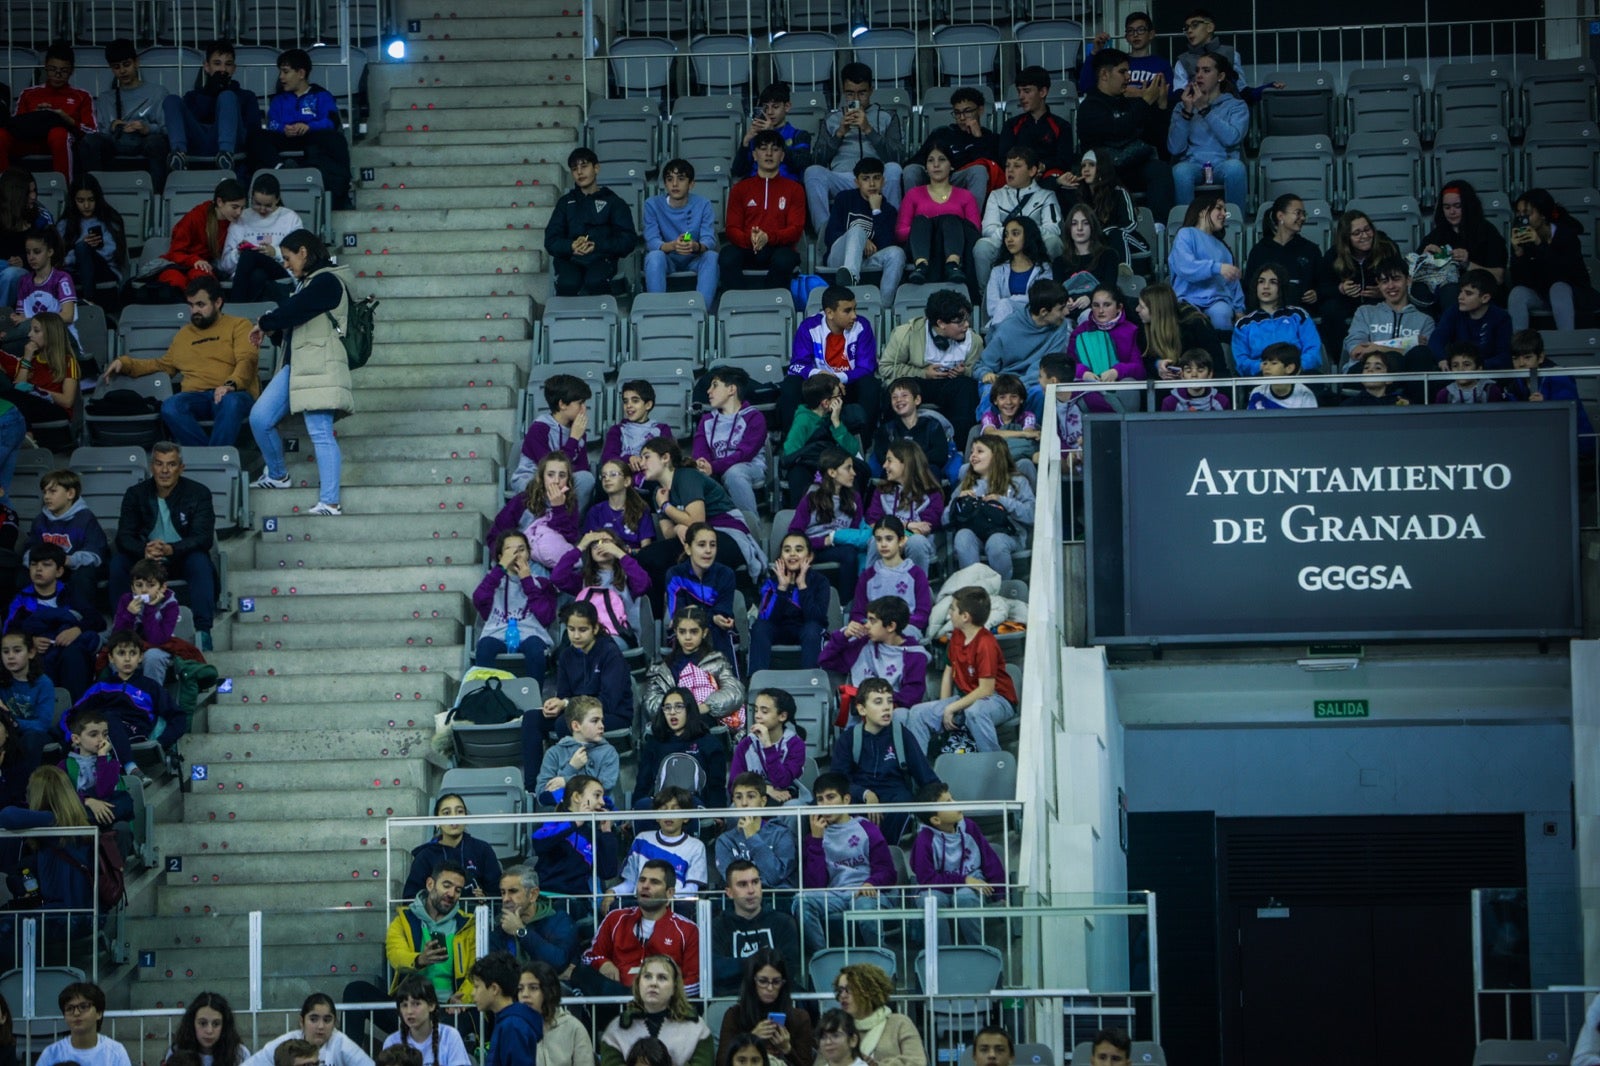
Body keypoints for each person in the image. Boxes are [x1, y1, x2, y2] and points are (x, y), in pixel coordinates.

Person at [246, 229, 351, 516]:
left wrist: (266, 321)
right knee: (260, 417)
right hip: (298, 365)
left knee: (320, 431)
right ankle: (278, 475)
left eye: (288, 257)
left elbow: (295, 310)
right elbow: (294, 323)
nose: (286, 264)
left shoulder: (328, 280)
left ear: (303, 252)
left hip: (321, 364)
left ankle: (330, 502)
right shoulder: (307, 283)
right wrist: (272, 329)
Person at [103, 277, 259, 447]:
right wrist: (125, 363)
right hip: (196, 397)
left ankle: (211, 459)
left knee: (231, 402)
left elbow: (247, 360)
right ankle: (208, 460)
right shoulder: (184, 335)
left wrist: (230, 384)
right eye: (191, 305)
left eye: (201, 305)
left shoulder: (239, 325)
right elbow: (163, 365)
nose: (194, 311)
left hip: (233, 393)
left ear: (218, 302)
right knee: (171, 406)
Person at [109, 443, 215, 649]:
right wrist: (144, 550)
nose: (165, 471)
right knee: (118, 563)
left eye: (171, 464)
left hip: (180, 556)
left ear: (181, 468)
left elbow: (203, 538)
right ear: (151, 467)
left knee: (200, 562)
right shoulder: (135, 494)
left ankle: (203, 631)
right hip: (145, 561)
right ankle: (121, 630)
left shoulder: (199, 493)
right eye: (159, 464)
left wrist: (171, 549)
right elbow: (124, 537)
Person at [902, 587, 1017, 754]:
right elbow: (948, 672)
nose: (949, 613)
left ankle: (994, 763)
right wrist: (944, 706)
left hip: (998, 700)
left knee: (975, 712)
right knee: (918, 713)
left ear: (965, 617)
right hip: (966, 698)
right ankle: (920, 774)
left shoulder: (986, 644)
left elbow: (986, 690)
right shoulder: (956, 635)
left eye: (953, 609)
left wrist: (952, 708)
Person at [638, 438, 766, 585]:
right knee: (647, 557)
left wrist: (666, 506)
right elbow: (668, 533)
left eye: (647, 457)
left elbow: (696, 522)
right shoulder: (658, 493)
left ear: (665, 458)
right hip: (694, 539)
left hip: (727, 535)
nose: (642, 463)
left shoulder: (687, 476)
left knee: (691, 561)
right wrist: (678, 527)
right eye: (641, 458)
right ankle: (665, 607)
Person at [796, 770, 897, 950]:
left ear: (846, 799)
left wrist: (871, 883)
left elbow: (888, 872)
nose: (825, 804)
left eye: (831, 797)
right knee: (801, 900)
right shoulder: (815, 836)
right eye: (820, 799)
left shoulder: (866, 828)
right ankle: (823, 956)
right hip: (835, 895)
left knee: (864, 906)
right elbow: (815, 885)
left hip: (866, 893)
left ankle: (881, 959)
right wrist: (816, 841)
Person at [805, 63, 904, 237]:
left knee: (894, 169)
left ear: (871, 90)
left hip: (875, 177)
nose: (856, 99)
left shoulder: (887, 116)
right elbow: (818, 159)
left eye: (862, 93)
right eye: (850, 93)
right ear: (844, 92)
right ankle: (825, 234)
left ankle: (891, 230)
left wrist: (869, 130)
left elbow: (896, 156)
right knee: (813, 172)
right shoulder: (832, 118)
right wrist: (840, 133)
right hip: (843, 177)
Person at [876, 289, 983, 450]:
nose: (966, 325)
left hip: (952, 385)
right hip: (918, 382)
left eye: (967, 320)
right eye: (960, 322)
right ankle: (893, 447)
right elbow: (886, 368)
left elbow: (977, 370)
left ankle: (959, 449)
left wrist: (964, 371)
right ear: (941, 323)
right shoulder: (906, 334)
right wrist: (922, 373)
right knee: (896, 390)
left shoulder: (974, 340)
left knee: (968, 388)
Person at [577, 858, 701, 996]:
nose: (645, 886)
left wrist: (661, 995)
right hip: (615, 1002)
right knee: (581, 974)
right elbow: (588, 957)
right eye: (642, 880)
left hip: (664, 1006)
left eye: (654, 882)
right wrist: (603, 963)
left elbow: (694, 983)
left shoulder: (688, 930)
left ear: (669, 893)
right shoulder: (616, 918)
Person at [249, 48, 353, 209]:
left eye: (285, 72)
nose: (281, 77)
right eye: (280, 72)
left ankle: (337, 190)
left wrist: (308, 126)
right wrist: (284, 128)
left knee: (335, 139)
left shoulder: (322, 95)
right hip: (286, 138)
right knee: (256, 135)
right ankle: (281, 169)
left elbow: (331, 121)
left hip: (312, 137)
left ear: (301, 73)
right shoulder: (278, 99)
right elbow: (272, 123)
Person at [1078, 48, 1174, 220]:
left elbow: (1156, 139)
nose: (1128, 77)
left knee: (1160, 170)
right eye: (1122, 72)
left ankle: (1159, 228)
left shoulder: (1130, 103)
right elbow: (1117, 130)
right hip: (1104, 170)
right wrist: (1145, 101)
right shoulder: (1089, 106)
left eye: (1128, 71)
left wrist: (1161, 105)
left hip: (1133, 164)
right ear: (1104, 75)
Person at [910, 780, 1005, 944]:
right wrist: (964, 880)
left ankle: (977, 949)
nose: (955, 803)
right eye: (948, 803)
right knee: (931, 900)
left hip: (972, 883)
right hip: (937, 887)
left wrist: (1000, 894)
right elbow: (927, 879)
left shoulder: (969, 827)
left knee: (965, 898)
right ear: (936, 820)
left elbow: (990, 860)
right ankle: (942, 954)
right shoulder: (924, 840)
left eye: (952, 798)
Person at [781, 284, 879, 440]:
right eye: (847, 311)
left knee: (870, 385)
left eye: (855, 309)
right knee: (790, 385)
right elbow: (796, 366)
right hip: (818, 386)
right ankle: (792, 443)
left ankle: (864, 442)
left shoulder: (862, 326)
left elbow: (867, 367)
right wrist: (821, 375)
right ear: (829, 313)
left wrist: (837, 379)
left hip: (848, 385)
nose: (854, 315)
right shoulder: (809, 327)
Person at [5, 542, 102, 697]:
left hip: (68, 651)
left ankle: (75, 710)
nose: (38, 569)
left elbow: (97, 620)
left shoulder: (70, 593)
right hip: (38, 654)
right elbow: (9, 631)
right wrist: (31, 641)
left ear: (59, 571)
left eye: (46, 565)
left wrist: (76, 630)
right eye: (34, 564)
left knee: (73, 654)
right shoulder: (21, 598)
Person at [535, 599, 634, 748]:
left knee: (565, 724)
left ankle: (574, 769)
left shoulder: (610, 653)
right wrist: (557, 704)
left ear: (595, 628)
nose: (576, 636)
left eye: (582, 630)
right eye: (571, 629)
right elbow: (563, 694)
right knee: (533, 719)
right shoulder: (566, 655)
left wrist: (567, 704)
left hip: (611, 714)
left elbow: (609, 701)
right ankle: (537, 772)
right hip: (576, 712)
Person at [380, 860, 476, 1006]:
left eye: (458, 890)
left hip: (449, 1006)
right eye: (447, 885)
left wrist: (462, 998)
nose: (451, 894)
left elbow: (475, 972)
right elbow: (395, 955)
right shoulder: (404, 920)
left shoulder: (467, 925)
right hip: (410, 1006)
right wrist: (419, 960)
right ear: (430, 884)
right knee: (356, 991)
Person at [545, 146, 638, 296]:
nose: (579, 172)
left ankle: (604, 316)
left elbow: (628, 240)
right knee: (568, 283)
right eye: (575, 169)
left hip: (602, 258)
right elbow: (550, 240)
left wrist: (597, 246)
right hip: (571, 259)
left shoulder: (614, 202)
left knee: (595, 281)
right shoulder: (565, 203)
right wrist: (571, 246)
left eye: (584, 166)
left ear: (596, 168)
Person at [721, 130, 805, 292]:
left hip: (779, 247)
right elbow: (732, 228)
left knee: (784, 259)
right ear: (754, 155)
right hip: (747, 246)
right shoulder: (740, 189)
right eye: (763, 148)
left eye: (775, 149)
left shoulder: (795, 189)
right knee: (727, 256)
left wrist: (768, 237)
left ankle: (772, 303)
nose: (768, 153)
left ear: (782, 156)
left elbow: (795, 229)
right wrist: (750, 239)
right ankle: (736, 305)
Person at [163, 40, 261, 175]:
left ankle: (225, 155)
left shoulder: (247, 96)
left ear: (234, 68)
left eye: (228, 64)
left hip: (233, 145)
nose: (223, 69)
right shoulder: (192, 96)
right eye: (217, 64)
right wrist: (210, 92)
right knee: (171, 100)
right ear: (207, 67)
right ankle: (178, 154)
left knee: (227, 96)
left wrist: (226, 96)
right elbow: (193, 121)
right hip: (199, 141)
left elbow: (253, 130)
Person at [945, 434, 1036, 581]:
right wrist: (958, 502)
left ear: (997, 456)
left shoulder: (1018, 481)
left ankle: (1000, 591)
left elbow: (1032, 515)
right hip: (976, 536)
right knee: (962, 536)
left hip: (1010, 535)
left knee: (996, 542)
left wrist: (1003, 501)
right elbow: (945, 520)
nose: (972, 456)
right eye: (972, 451)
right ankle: (974, 591)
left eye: (979, 451)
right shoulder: (966, 484)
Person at [79, 40, 169, 185]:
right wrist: (112, 126)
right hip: (116, 141)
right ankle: (94, 190)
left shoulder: (157, 92)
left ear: (136, 63)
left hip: (144, 140)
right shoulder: (105, 98)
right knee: (89, 142)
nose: (122, 71)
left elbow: (166, 128)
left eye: (126, 65)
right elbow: (99, 131)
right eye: (116, 67)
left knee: (157, 142)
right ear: (111, 69)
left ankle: (158, 195)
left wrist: (147, 128)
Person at [0, 43, 96, 181]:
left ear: (72, 71)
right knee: (1, 135)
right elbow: (15, 126)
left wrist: (66, 119)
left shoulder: (82, 96)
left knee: (58, 133)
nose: (57, 75)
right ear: (45, 66)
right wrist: (36, 116)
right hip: (29, 141)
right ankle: (4, 191)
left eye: (63, 71)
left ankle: (65, 192)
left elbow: (92, 131)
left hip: (61, 142)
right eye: (52, 69)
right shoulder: (28, 94)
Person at [530, 773, 619, 920]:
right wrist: (574, 823)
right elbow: (539, 843)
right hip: (547, 900)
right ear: (577, 797)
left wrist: (607, 833)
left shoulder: (593, 832)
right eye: (597, 795)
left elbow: (608, 872)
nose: (602, 802)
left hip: (578, 904)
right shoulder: (555, 821)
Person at [473, 529, 558, 682]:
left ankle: (534, 700)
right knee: (484, 647)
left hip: (531, 635)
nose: (516, 555)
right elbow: (479, 600)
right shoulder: (492, 581)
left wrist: (527, 581)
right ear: (500, 557)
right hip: (496, 634)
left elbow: (547, 617)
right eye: (509, 551)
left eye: (521, 550)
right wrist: (499, 570)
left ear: (529, 554)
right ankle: (488, 699)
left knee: (534, 647)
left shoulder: (542, 583)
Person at [1166, 51, 1248, 210]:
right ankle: (1187, 227)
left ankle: (1234, 225)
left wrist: (1205, 109)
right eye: (1197, 71)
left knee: (1236, 168)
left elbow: (1232, 139)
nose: (1199, 75)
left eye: (1206, 70)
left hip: (1223, 164)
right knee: (1180, 171)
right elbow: (1174, 148)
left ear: (1221, 76)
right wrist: (1187, 113)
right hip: (1192, 164)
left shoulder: (1236, 106)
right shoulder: (1182, 106)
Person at [972, 146, 1063, 287]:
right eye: (1007, 165)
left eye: (1017, 166)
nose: (1010, 170)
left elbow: (1053, 228)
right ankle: (986, 297)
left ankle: (1054, 292)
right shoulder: (996, 195)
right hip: (1005, 244)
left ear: (1032, 170)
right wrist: (1013, 235)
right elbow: (988, 228)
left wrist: (1026, 234)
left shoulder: (1046, 196)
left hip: (1036, 244)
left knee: (1054, 242)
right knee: (981, 247)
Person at [598, 955, 714, 1066]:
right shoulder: (616, 1031)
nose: (653, 983)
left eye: (662, 977)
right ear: (638, 984)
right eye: (647, 976)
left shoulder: (697, 1029)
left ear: (674, 987)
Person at [819, 595, 930, 709]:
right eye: (866, 620)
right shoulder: (863, 644)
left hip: (893, 714)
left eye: (872, 621)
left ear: (891, 626)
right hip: (859, 714)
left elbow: (911, 697)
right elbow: (826, 661)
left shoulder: (915, 655)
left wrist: (874, 699)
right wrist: (843, 635)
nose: (866, 625)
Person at [976, 278, 1072, 409]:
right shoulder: (1008, 327)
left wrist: (1018, 387)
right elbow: (983, 365)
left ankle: (1035, 429)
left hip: (1035, 381)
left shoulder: (1060, 327)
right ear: (1044, 312)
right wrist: (986, 375)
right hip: (1004, 380)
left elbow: (1047, 366)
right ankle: (990, 429)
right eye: (1061, 309)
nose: (1066, 312)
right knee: (990, 392)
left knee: (1041, 392)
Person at [897, 141, 981, 289]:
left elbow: (974, 230)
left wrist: (943, 225)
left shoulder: (965, 196)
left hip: (956, 245)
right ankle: (921, 265)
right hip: (921, 246)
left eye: (942, 159)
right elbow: (900, 232)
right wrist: (927, 228)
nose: (936, 165)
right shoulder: (913, 194)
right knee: (922, 220)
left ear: (952, 165)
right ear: (926, 168)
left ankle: (952, 264)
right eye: (931, 160)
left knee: (950, 220)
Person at [1509, 188, 1596, 331]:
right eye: (1518, 213)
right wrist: (1518, 253)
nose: (1522, 219)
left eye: (1527, 213)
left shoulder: (1566, 236)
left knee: (1558, 288)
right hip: (1542, 294)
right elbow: (1520, 281)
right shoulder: (1523, 237)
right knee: (1517, 293)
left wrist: (1539, 245)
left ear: (1543, 215)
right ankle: (1519, 347)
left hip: (1573, 293)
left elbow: (1564, 274)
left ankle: (1566, 342)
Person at [693, 366, 768, 530]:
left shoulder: (754, 417)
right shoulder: (706, 420)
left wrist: (713, 466)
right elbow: (699, 453)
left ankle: (751, 527)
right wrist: (702, 465)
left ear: (731, 389)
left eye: (715, 385)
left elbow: (745, 454)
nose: (708, 391)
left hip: (749, 469)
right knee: (692, 475)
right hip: (714, 469)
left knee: (734, 473)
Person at [788, 446, 866, 601]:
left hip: (841, 547)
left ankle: (846, 606)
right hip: (813, 548)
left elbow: (856, 531)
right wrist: (824, 541)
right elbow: (794, 534)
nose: (854, 473)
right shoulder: (812, 497)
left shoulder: (854, 499)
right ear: (832, 472)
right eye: (848, 468)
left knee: (853, 553)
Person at [1504, 329, 1597, 455]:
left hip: (1575, 445)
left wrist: (1547, 405)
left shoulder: (1559, 376)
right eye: (1515, 359)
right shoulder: (1513, 384)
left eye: (1527, 357)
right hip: (1538, 445)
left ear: (1541, 357)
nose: (1521, 364)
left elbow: (1568, 413)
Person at [25, 467, 107, 608]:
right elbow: (30, 549)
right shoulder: (40, 520)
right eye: (44, 492)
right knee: (23, 573)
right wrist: (36, 564)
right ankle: (30, 612)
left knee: (83, 576)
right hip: (47, 569)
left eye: (53, 491)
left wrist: (67, 560)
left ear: (70, 493)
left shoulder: (85, 518)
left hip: (74, 568)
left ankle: (80, 616)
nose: (46, 497)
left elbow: (95, 554)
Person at [633, 688, 729, 808]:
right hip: (660, 809)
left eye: (678, 706)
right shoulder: (654, 744)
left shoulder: (710, 744)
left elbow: (716, 786)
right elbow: (643, 784)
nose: (672, 712)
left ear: (689, 710)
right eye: (667, 708)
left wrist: (717, 814)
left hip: (695, 809)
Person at [823, 158, 904, 300]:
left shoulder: (888, 210)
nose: (872, 184)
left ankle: (884, 306)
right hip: (839, 258)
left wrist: (876, 211)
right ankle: (849, 279)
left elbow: (887, 244)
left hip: (867, 260)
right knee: (857, 230)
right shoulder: (844, 198)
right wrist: (861, 240)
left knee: (897, 253)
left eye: (876, 178)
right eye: (865, 179)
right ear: (857, 182)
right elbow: (830, 235)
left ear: (883, 181)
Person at [1419, 179, 1508, 310]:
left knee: (1451, 292)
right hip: (1443, 292)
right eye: (1447, 207)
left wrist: (1468, 264)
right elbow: (1413, 271)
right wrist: (1425, 259)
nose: (1452, 212)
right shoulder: (1437, 235)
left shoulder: (1487, 231)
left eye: (1457, 206)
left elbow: (1499, 277)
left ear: (1468, 206)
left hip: (1480, 294)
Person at [152, 178, 247, 298]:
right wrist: (195, 261)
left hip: (205, 267)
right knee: (174, 281)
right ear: (220, 202)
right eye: (234, 207)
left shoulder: (236, 223)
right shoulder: (195, 217)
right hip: (178, 264)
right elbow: (174, 253)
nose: (239, 212)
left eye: (242, 208)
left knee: (203, 282)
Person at [642, 158, 718, 307]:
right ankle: (657, 311)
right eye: (670, 179)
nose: (675, 184)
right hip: (667, 258)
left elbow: (709, 239)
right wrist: (672, 246)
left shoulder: (703, 204)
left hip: (694, 258)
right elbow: (652, 241)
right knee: (654, 256)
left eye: (681, 179)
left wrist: (695, 246)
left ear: (691, 184)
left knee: (711, 257)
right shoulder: (652, 204)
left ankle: (701, 311)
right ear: (665, 184)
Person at [552, 529, 649, 645]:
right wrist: (580, 547)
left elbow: (644, 584)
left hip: (619, 634)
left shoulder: (628, 576)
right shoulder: (584, 579)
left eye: (606, 542)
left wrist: (620, 554)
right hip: (585, 633)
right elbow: (557, 577)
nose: (600, 546)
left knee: (596, 646)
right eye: (594, 544)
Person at [1242, 195, 1330, 322]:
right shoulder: (1260, 250)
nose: (1303, 218)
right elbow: (1249, 286)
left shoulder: (1311, 249)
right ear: (1280, 216)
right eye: (1298, 213)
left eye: (1304, 214)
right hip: (1266, 313)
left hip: (1302, 313)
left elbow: (1324, 283)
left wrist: (1317, 293)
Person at [903, 88, 999, 204]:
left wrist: (977, 138)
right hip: (935, 178)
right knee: (911, 170)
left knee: (979, 171)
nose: (962, 118)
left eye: (967, 111)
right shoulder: (942, 133)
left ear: (980, 110)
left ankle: (972, 220)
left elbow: (991, 168)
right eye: (957, 113)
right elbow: (918, 159)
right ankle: (913, 216)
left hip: (959, 179)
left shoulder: (990, 138)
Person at [658, 534, 741, 666]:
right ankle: (684, 683)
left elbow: (723, 611)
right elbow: (680, 616)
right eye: (701, 545)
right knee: (688, 631)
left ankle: (727, 682)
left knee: (719, 631)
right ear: (688, 548)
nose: (708, 550)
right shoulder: (675, 574)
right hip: (685, 629)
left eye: (712, 545)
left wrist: (701, 613)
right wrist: (711, 617)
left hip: (718, 628)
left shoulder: (725, 573)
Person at [717, 948, 811, 1064]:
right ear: (752, 981)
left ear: (783, 983)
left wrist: (787, 1049)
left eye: (776, 982)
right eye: (763, 981)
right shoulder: (734, 1015)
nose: (770, 988)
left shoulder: (799, 1018)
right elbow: (721, 1062)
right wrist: (751, 1039)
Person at [512, 372, 594, 504]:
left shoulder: (577, 429)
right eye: (580, 403)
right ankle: (545, 523)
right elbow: (550, 468)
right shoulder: (539, 428)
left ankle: (567, 523)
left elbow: (582, 467)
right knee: (546, 485)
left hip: (562, 479)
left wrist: (576, 437)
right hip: (534, 478)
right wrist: (573, 439)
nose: (584, 409)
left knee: (586, 479)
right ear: (562, 404)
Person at [219, 173, 303, 302]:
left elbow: (299, 256)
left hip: (279, 269)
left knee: (249, 254)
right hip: (249, 275)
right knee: (257, 274)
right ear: (251, 197)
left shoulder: (290, 218)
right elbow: (225, 265)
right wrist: (237, 253)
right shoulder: (241, 217)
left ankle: (236, 307)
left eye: (268, 205)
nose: (262, 210)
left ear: (277, 199)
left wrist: (275, 252)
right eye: (257, 204)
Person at [1341, 257, 1435, 370]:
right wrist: (1408, 343)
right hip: (1365, 374)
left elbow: (1422, 359)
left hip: (1403, 378)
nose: (1391, 286)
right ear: (1378, 284)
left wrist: (1374, 347)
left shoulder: (1425, 320)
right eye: (1385, 281)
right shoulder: (1364, 312)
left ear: (1408, 280)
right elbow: (1357, 352)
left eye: (1396, 279)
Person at [403, 793, 502, 900]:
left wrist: (485, 898)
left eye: (459, 811)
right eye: (446, 813)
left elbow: (498, 894)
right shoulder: (425, 856)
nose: (454, 817)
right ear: (436, 821)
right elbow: (410, 899)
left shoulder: (483, 850)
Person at [866, 439, 945, 572]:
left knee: (916, 542)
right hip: (889, 538)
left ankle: (917, 588)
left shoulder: (931, 493)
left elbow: (925, 528)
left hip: (918, 540)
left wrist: (901, 533)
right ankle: (872, 587)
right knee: (876, 541)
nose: (884, 465)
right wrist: (907, 525)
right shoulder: (881, 491)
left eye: (889, 460)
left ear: (906, 464)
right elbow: (873, 523)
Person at [1168, 194, 1243, 333]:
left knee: (1222, 314)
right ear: (1202, 212)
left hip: (1217, 300)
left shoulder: (1223, 248)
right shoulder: (1185, 234)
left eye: (1224, 210)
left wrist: (1239, 309)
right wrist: (1217, 268)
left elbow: (1233, 282)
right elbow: (1185, 266)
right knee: (1192, 320)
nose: (1224, 214)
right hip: (1186, 299)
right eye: (1219, 208)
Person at [1320, 210, 1398, 343]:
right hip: (1347, 302)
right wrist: (1341, 289)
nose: (1365, 236)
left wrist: (1385, 291)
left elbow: (1401, 278)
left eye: (1367, 230)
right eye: (1357, 233)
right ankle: (1341, 358)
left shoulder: (1387, 248)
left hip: (1378, 301)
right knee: (1330, 309)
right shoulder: (1333, 255)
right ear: (1346, 237)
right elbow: (1322, 289)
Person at [828, 964, 926, 1066]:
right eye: (840, 990)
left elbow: (917, 1062)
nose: (843, 995)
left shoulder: (899, 1023)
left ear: (869, 992)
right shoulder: (834, 1027)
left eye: (849, 989)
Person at [1232, 263, 1322, 374]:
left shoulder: (1299, 316)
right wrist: (1268, 368)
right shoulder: (1244, 324)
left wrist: (1292, 368)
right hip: (1261, 376)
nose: (1266, 286)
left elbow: (1313, 351)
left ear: (1282, 286)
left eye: (1273, 282)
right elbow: (1241, 362)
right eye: (1261, 281)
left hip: (1298, 374)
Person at [242, 994, 372, 1066]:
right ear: (301, 1022)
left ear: (335, 1023)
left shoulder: (342, 1044)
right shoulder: (286, 1044)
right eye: (313, 1019)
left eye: (327, 1020)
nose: (321, 1026)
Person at [534, 695, 621, 804]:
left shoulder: (609, 752)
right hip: (563, 814)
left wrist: (567, 781)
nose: (602, 726)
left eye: (602, 720)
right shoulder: (554, 753)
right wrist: (571, 767)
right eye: (595, 721)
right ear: (576, 726)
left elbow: (605, 785)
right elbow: (542, 794)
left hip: (598, 813)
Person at [714, 781, 800, 891]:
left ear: (763, 801)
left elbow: (775, 876)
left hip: (777, 901)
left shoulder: (781, 834)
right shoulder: (725, 841)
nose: (744, 803)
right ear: (734, 802)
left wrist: (752, 837)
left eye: (751, 796)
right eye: (738, 797)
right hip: (740, 903)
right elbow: (733, 881)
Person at [728, 691, 810, 805]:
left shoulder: (795, 744)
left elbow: (782, 782)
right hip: (752, 798)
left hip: (787, 798)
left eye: (764, 711)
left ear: (782, 716)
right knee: (734, 808)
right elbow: (734, 784)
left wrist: (768, 746)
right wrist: (766, 789)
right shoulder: (746, 744)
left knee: (793, 806)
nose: (757, 715)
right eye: (756, 710)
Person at [1133, 280, 1224, 381]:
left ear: (1156, 311)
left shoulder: (1196, 325)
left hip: (1201, 385)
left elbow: (1217, 364)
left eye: (1142, 307)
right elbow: (1146, 361)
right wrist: (1158, 365)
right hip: (1167, 388)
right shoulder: (1143, 328)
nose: (1137, 309)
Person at [58, 173, 126, 306]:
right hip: (73, 270)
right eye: (81, 201)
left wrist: (85, 249)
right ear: (73, 200)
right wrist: (77, 254)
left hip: (104, 269)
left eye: (91, 199)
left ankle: (89, 300)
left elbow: (111, 251)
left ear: (98, 199)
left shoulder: (109, 219)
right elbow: (60, 256)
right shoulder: (65, 224)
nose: (87, 205)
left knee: (83, 247)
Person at [997, 66, 1074, 183]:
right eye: (1019, 91)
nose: (1021, 97)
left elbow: (1065, 160)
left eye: (1027, 91)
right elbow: (1003, 157)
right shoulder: (1011, 125)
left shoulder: (1061, 126)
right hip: (1018, 177)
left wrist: (1043, 166)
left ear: (1042, 92)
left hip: (1049, 177)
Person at [496, 866, 581, 970]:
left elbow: (559, 962)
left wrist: (520, 931)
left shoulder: (558, 920)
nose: (505, 899)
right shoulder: (498, 924)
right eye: (503, 892)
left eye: (513, 891)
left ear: (533, 894)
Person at [1067, 149, 1143, 265]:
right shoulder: (1081, 197)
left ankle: (1124, 271)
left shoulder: (1118, 192)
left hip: (1130, 242)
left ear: (1102, 168)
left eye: (1091, 165)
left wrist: (1105, 232)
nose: (1086, 169)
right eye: (1083, 166)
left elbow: (1131, 224)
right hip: (1100, 246)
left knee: (1116, 234)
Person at [468, 952, 543, 1066]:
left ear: (494, 989)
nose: (472, 993)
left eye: (477, 986)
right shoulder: (507, 1021)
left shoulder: (512, 1025)